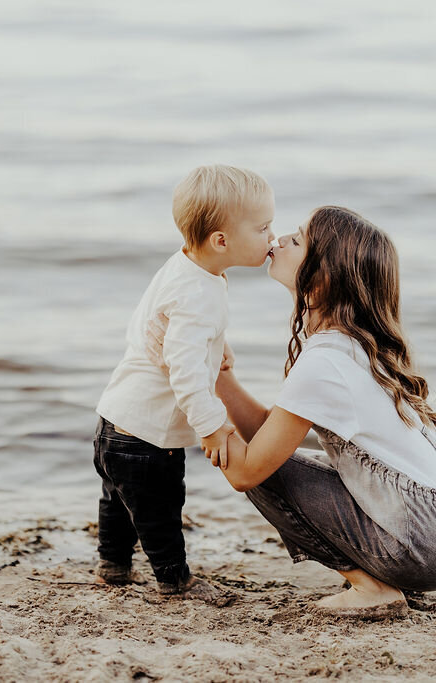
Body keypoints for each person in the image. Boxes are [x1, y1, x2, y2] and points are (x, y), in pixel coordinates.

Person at [150, 205, 436, 619]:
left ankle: (372, 586)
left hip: (425, 544)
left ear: (324, 278)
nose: (280, 239)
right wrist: (218, 377)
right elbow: (270, 432)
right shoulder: (353, 344)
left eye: (299, 238)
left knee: (259, 470)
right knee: (268, 455)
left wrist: (208, 420)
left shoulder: (325, 360)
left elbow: (247, 472)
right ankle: (378, 576)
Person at [93, 165, 276, 600]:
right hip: (147, 435)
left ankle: (113, 566)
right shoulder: (197, 294)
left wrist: (218, 342)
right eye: (264, 228)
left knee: (117, 502)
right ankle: (175, 581)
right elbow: (185, 369)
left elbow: (175, 327)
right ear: (222, 241)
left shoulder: (188, 268)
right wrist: (213, 426)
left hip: (116, 418)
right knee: (160, 509)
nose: (273, 237)